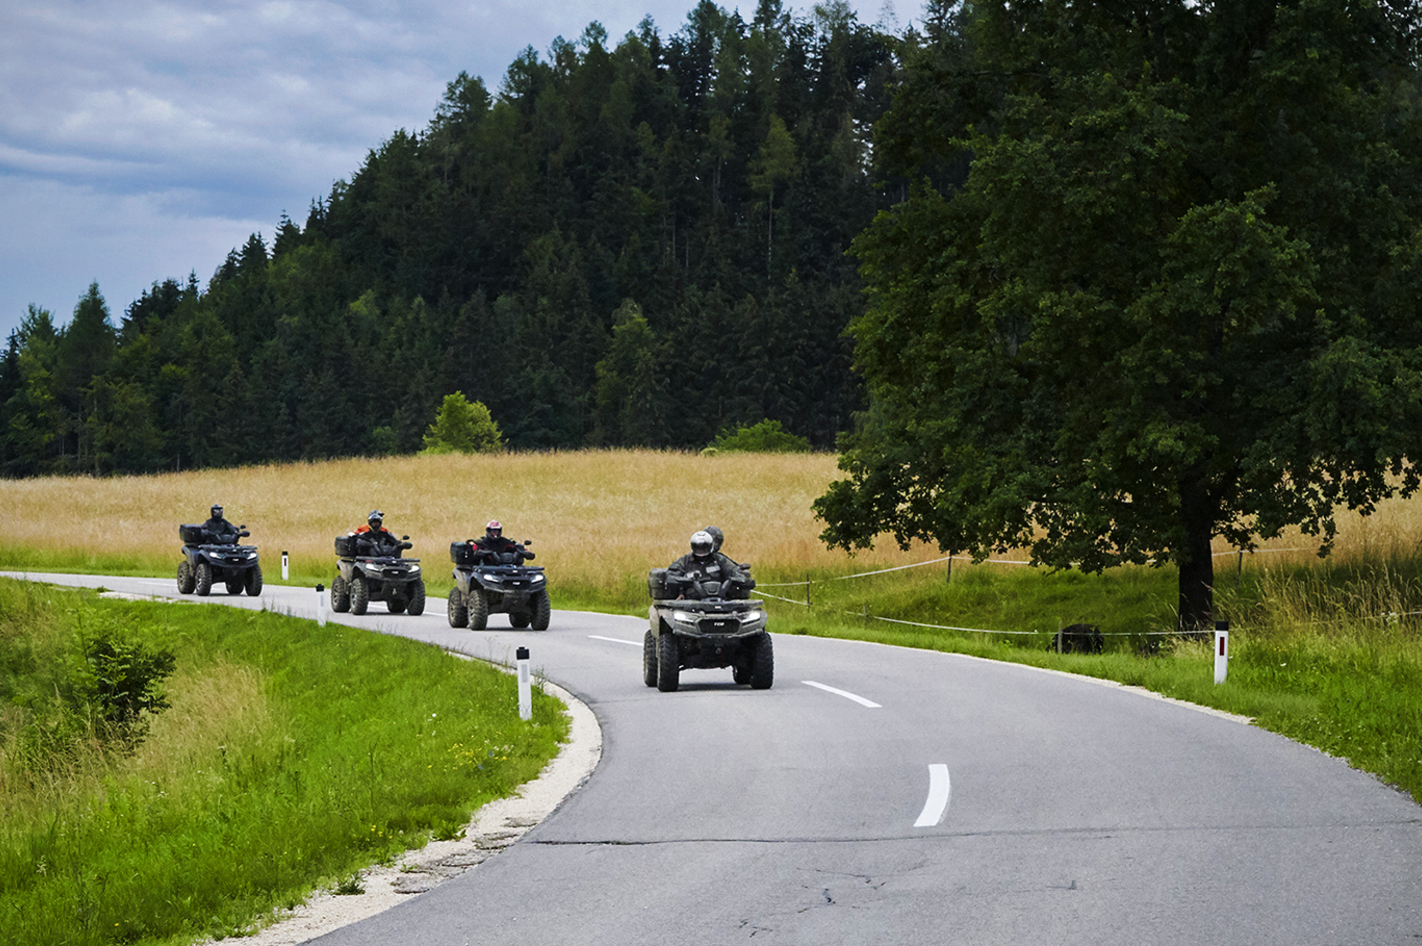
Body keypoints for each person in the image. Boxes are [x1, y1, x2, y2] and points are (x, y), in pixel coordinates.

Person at [667, 530, 749, 599]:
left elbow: (735, 571)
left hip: (721, 599)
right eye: (698, 548)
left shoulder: (720, 559)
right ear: (693, 547)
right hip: (692, 600)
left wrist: (736, 578)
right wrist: (686, 580)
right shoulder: (684, 560)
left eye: (704, 548)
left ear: (710, 546)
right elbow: (671, 576)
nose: (701, 551)